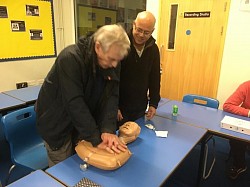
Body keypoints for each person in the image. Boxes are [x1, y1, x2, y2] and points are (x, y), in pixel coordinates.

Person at [35, 24, 130, 167]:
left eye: (118, 60)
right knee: (64, 172)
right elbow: (74, 103)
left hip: (82, 122)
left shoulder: (113, 60)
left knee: (82, 165)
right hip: (57, 124)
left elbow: (111, 96)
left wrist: (107, 129)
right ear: (98, 47)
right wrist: (96, 139)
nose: (115, 64)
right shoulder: (70, 58)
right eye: (111, 59)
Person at [117, 11, 161, 126]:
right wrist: (114, 106)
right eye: (139, 30)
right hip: (119, 107)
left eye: (146, 32)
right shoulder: (120, 45)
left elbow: (155, 78)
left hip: (139, 106)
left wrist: (153, 103)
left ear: (152, 31)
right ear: (133, 25)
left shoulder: (153, 49)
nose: (141, 35)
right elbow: (111, 79)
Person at [223, 80, 250, 180]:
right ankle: (240, 165)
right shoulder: (247, 86)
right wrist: (248, 113)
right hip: (246, 121)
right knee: (236, 137)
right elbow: (227, 105)